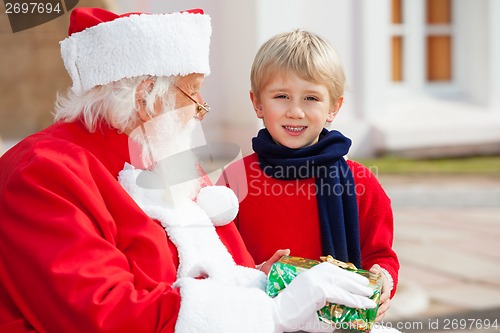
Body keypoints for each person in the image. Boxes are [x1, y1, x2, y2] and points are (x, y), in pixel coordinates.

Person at [0, 8, 378, 333]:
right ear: (147, 94)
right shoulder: (43, 173)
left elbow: (212, 268)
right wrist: (273, 311)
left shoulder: (163, 152)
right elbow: (103, 315)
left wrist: (265, 281)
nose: (201, 109)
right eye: (193, 91)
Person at [219, 29, 400, 322]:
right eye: (281, 96)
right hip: (263, 319)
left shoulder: (361, 182)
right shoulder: (235, 179)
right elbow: (220, 259)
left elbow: (380, 255)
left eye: (311, 98)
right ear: (258, 103)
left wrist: (383, 280)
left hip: (339, 323)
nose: (295, 111)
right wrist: (256, 274)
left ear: (334, 107)